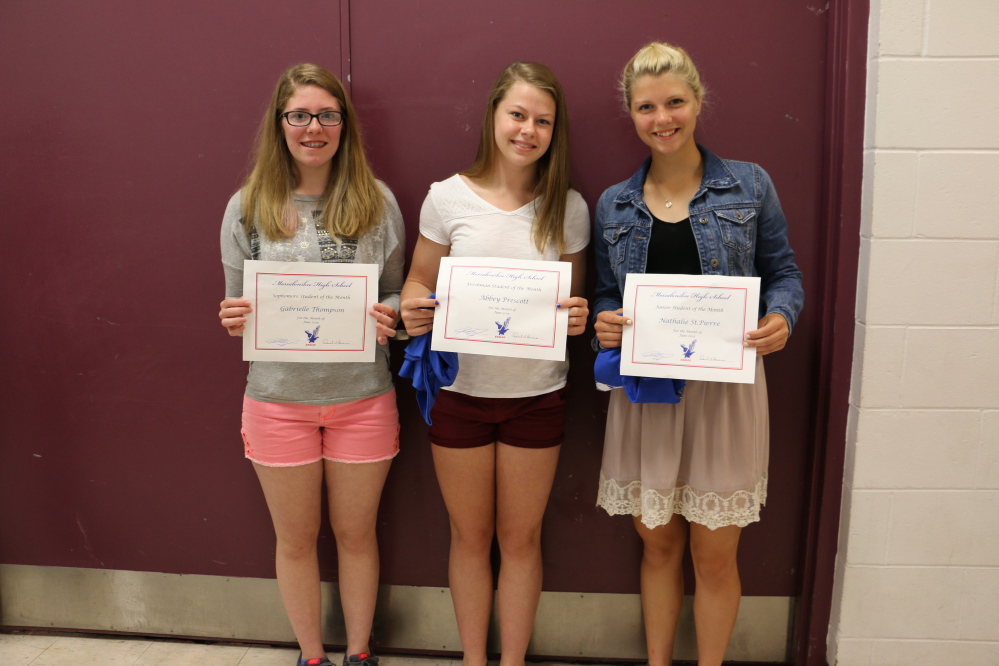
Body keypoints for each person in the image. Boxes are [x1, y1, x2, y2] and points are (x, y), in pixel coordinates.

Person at [591, 43, 804, 666]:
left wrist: (781, 318)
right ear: (631, 114)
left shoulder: (749, 184)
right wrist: (604, 323)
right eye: (647, 106)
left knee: (715, 555)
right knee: (657, 548)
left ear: (698, 101)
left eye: (675, 102)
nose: (663, 118)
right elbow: (608, 294)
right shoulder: (614, 204)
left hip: (726, 396)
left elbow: (783, 273)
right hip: (647, 395)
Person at [399, 62, 590, 666]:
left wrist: (578, 317)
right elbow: (415, 284)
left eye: (542, 120)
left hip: (536, 395)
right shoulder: (446, 198)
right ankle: (473, 660)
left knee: (521, 538)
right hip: (459, 394)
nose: (528, 130)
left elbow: (570, 308)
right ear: (493, 118)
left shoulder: (570, 206)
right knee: (470, 537)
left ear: (554, 131)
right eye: (518, 114)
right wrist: (413, 309)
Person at [217, 63, 404, 666]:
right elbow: (238, 304)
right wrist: (233, 317)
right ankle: (311, 658)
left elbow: (400, 292)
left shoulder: (377, 202)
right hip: (277, 401)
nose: (314, 127)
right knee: (295, 542)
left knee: (356, 538)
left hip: (363, 397)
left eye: (327, 114)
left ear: (344, 125)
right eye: (299, 115)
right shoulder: (248, 207)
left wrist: (392, 313)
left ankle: (357, 654)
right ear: (280, 124)